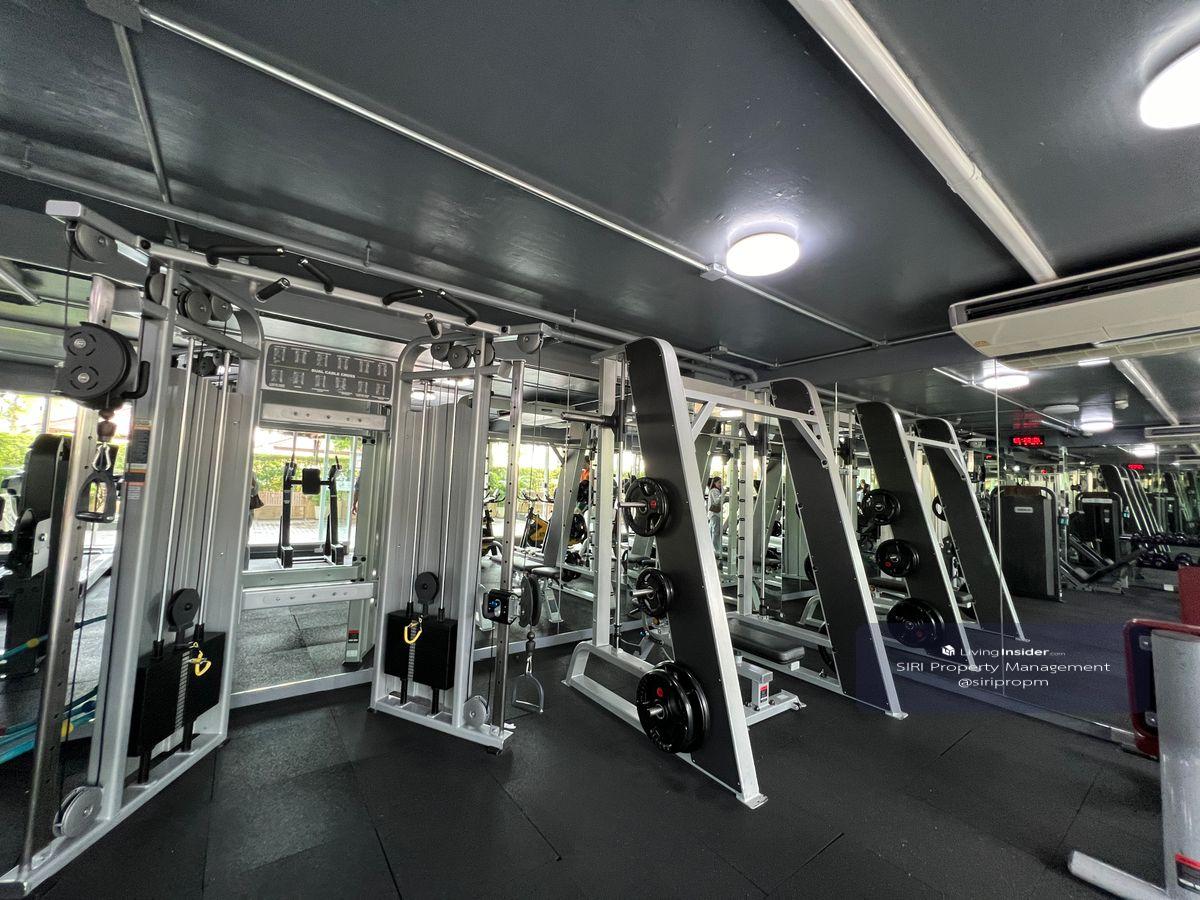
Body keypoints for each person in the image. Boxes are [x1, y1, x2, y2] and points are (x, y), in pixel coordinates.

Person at [707, 476, 724, 554]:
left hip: (712, 514)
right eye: (719, 482)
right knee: (716, 532)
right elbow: (717, 501)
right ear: (714, 483)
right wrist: (723, 492)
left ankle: (712, 548)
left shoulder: (713, 491)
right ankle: (716, 549)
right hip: (715, 514)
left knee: (712, 531)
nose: (721, 484)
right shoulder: (714, 491)